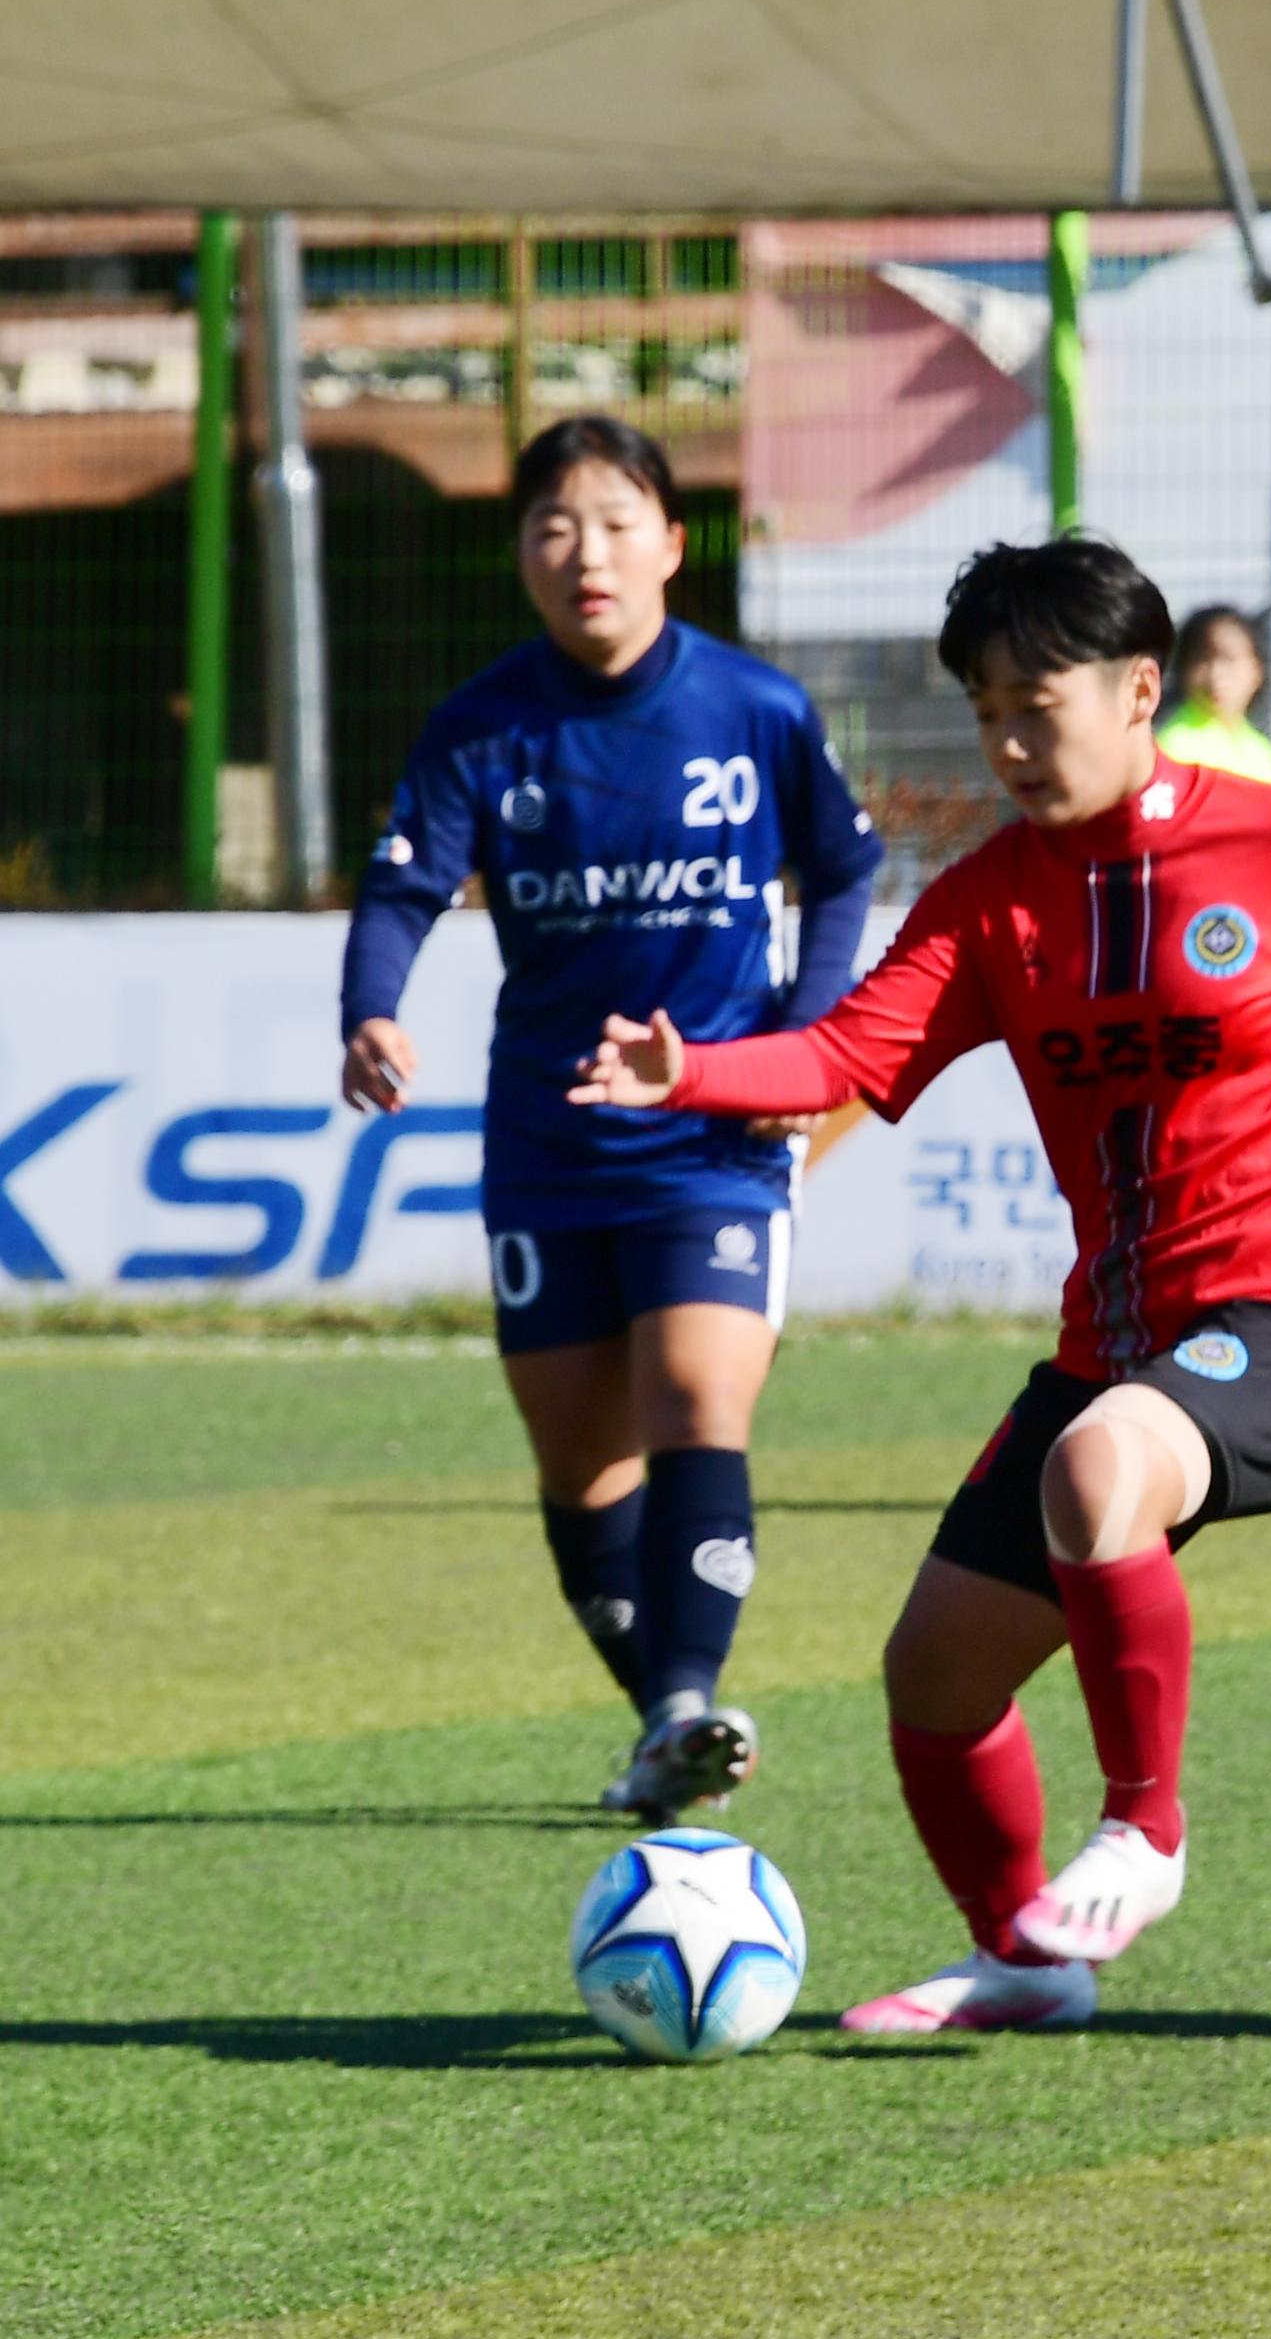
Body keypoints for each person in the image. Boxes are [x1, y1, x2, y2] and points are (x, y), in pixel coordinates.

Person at [574, 535, 1271, 2033]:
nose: (1006, 742)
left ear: (1142, 690)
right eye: (984, 709)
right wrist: (692, 1070)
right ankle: (1025, 1957)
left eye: (1036, 703)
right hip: (1124, 1340)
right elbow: (852, 1059)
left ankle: (1148, 1827)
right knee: (934, 1675)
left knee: (1100, 1461)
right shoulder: (992, 899)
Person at [340, 414, 886, 1822]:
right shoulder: (482, 724)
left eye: (615, 520)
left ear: (672, 546)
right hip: (548, 1136)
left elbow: (841, 873)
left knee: (699, 1399)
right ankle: (663, 1719)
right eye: (552, 526)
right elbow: (405, 885)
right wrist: (374, 1007)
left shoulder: (753, 708)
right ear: (523, 555)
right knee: (581, 1458)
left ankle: (696, 1697)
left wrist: (803, 1045)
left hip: (715, 1133)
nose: (585, 551)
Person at [1155, 604, 1271, 783]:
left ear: (1257, 670)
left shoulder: (1261, 751)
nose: (1215, 675)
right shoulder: (1173, 747)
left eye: (1229, 659)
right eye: (1202, 660)